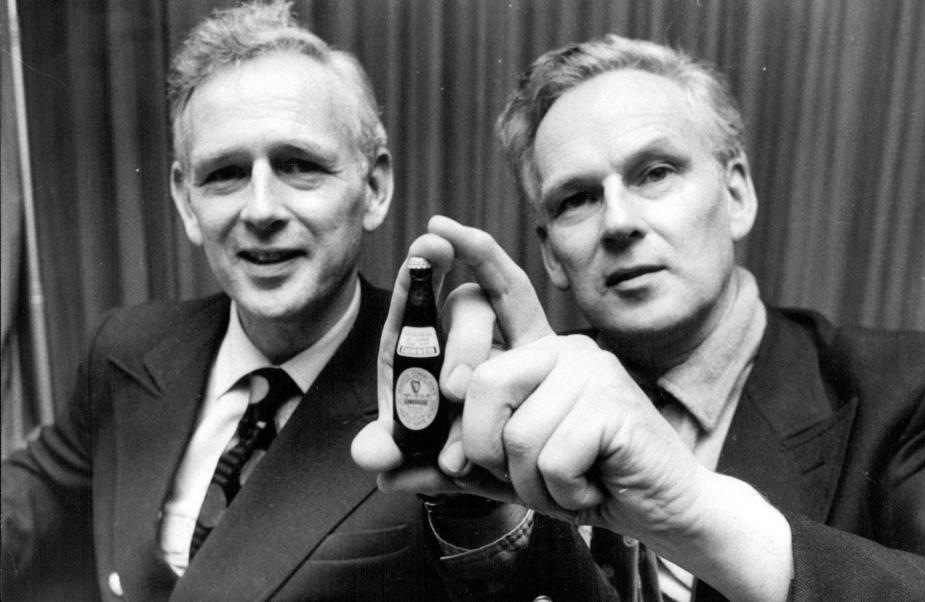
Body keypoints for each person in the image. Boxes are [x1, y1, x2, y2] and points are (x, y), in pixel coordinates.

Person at [3, 4, 618, 601]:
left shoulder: (441, 387)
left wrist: (484, 506)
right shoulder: (127, 348)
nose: (262, 210)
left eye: (299, 166)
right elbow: (24, 514)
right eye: (224, 174)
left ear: (373, 188)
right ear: (187, 201)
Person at [352, 35, 925, 601]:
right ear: (550, 254)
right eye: (577, 199)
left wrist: (695, 510)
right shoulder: (516, 402)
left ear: (736, 193)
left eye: (656, 173)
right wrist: (482, 505)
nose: (618, 223)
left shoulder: (924, 387)